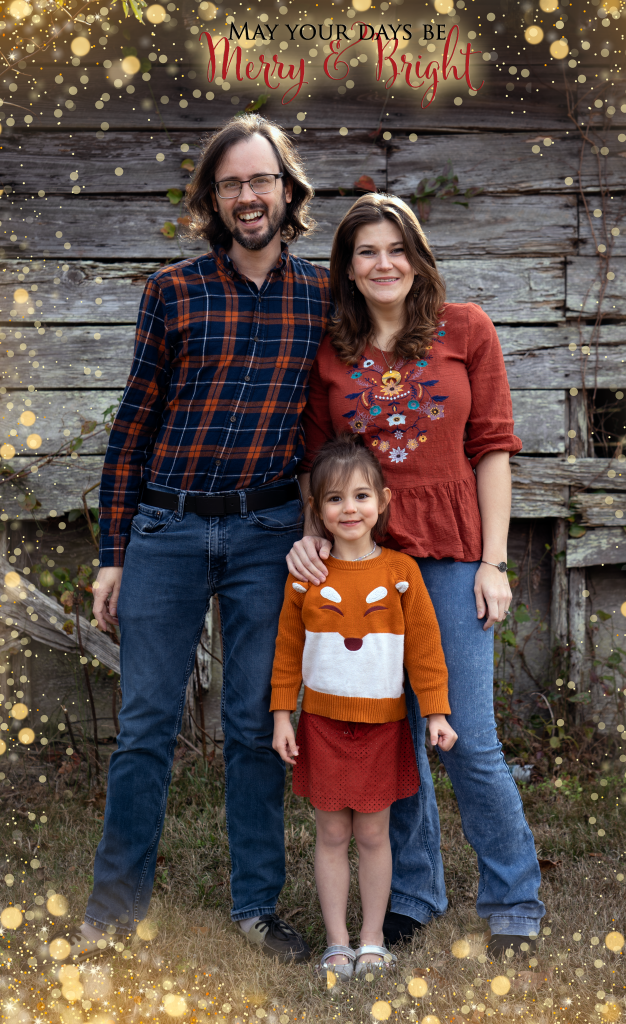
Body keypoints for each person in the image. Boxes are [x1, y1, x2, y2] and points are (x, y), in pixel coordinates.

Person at [50, 115, 331, 966]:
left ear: (288, 190)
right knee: (144, 726)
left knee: (253, 725)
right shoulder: (172, 291)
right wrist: (114, 553)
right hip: (168, 530)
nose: (248, 197)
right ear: (213, 199)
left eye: (262, 180)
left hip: (267, 531)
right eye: (231, 183)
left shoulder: (321, 296)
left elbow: (326, 425)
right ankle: (112, 911)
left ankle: (255, 910)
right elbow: (131, 427)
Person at [287, 193, 546, 957]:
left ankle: (513, 900)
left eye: (395, 248)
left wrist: (493, 563)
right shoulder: (330, 349)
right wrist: (310, 539)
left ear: (418, 254)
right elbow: (316, 463)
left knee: (464, 737)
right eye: (365, 251)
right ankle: (413, 894)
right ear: (347, 267)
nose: (383, 263)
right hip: (363, 566)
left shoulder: (466, 329)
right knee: (385, 737)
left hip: (453, 559)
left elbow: (492, 446)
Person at [271, 435, 456, 982]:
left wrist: (437, 713)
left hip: (382, 727)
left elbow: (425, 650)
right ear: (317, 510)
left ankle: (372, 941)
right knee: (330, 835)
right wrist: (283, 715)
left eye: (359, 496)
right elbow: (286, 651)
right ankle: (336, 943)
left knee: (373, 835)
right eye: (333, 499)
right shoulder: (307, 575)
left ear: (383, 500)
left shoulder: (400, 572)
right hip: (322, 726)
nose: (348, 509)